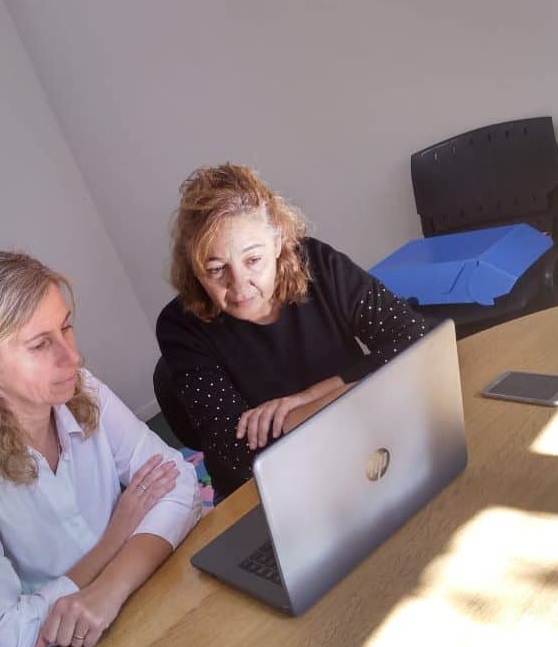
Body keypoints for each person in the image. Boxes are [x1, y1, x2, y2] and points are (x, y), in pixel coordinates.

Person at [0, 250, 200, 647]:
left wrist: (110, 588)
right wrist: (114, 538)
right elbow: (5, 644)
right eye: (39, 344)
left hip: (121, 607)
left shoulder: (80, 388)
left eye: (66, 327)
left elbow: (180, 484)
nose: (73, 357)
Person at [156, 164, 428, 500]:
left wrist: (303, 401)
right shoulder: (179, 327)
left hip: (359, 446)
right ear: (195, 271)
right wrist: (359, 389)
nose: (239, 285)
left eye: (253, 260)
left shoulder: (316, 262)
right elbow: (242, 453)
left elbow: (416, 338)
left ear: (278, 242)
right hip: (265, 492)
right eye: (216, 269)